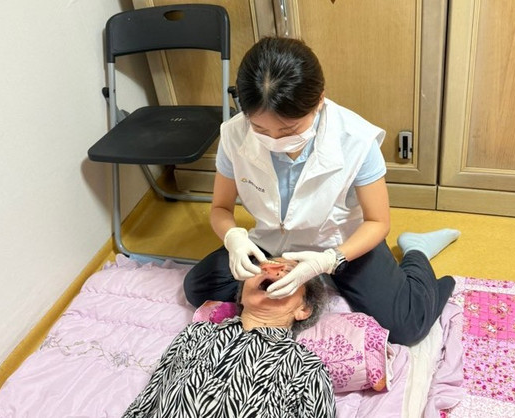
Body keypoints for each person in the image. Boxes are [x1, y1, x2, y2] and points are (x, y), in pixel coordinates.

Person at [183, 36, 458, 346]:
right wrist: (234, 237)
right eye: (260, 129)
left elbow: (378, 222)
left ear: (319, 100)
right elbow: (221, 209)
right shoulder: (234, 134)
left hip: (340, 244)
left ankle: (417, 250)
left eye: (288, 130)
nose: (275, 140)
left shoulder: (356, 139)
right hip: (272, 243)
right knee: (198, 288)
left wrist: (329, 261)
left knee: (407, 326)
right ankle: (311, 277)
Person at [122, 258, 336, 418]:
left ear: (304, 309)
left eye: (289, 272)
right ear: (241, 296)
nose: (273, 269)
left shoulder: (307, 365)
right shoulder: (197, 333)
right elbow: (150, 396)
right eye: (262, 267)